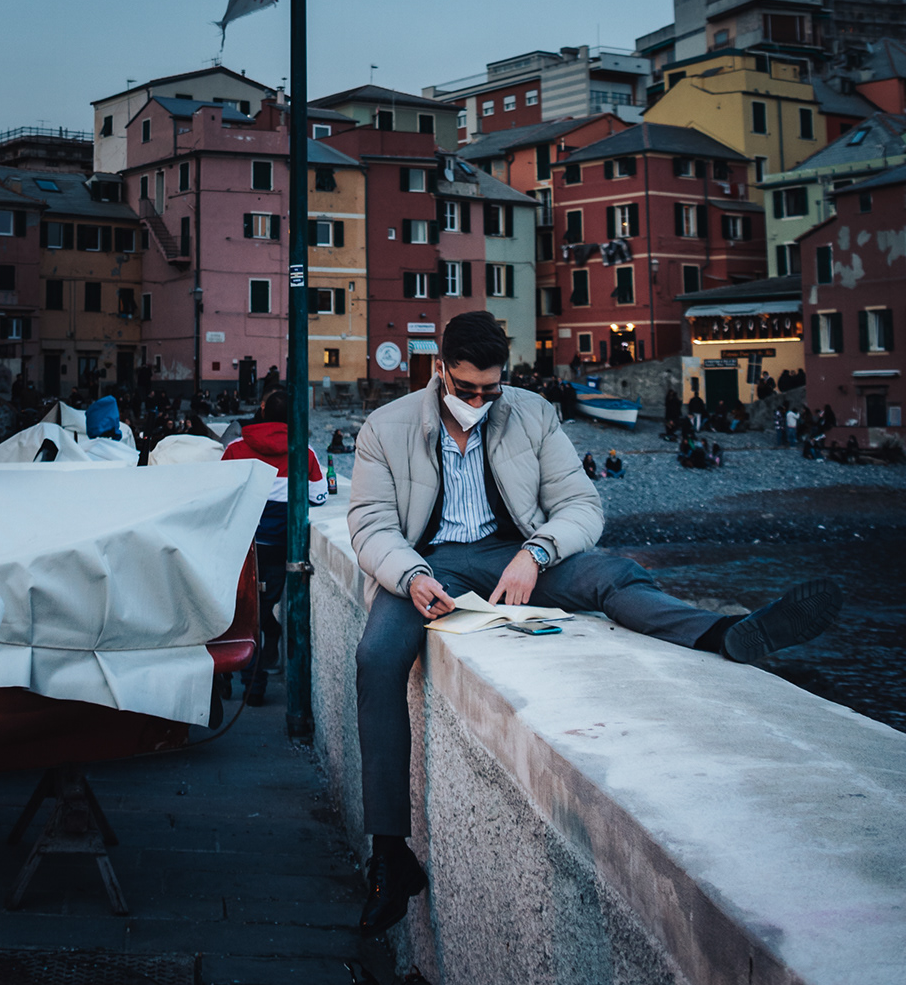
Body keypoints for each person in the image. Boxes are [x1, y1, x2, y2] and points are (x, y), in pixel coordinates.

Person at [347, 311, 843, 936]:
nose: (476, 402)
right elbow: (370, 523)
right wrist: (412, 575)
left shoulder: (532, 413)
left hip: (515, 555)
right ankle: (390, 854)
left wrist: (537, 553)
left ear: (505, 377)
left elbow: (582, 505)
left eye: (489, 390)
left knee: (612, 574)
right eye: (464, 389)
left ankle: (721, 633)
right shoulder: (386, 426)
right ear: (440, 369)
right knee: (377, 658)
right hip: (426, 564)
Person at [222, 390, 325, 705]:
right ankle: (258, 671)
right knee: (261, 610)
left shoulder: (235, 448)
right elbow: (319, 496)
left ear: (262, 410)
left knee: (242, 612)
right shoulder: (304, 452)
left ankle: (245, 682)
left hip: (243, 547)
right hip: (281, 547)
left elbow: (220, 495)